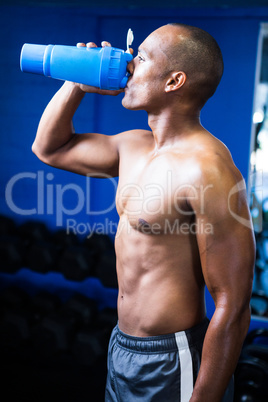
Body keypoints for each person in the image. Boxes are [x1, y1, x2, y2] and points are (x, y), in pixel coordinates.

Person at [32, 23, 255, 402]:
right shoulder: (133, 147)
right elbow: (49, 149)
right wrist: (76, 83)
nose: (129, 65)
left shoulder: (208, 169)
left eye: (142, 57)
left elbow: (232, 304)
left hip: (173, 357)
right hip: (121, 345)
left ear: (174, 81)